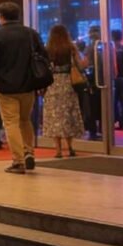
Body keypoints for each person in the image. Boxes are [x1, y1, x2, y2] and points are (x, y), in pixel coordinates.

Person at [0, 2, 44, 174]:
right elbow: (42, 56)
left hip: (6, 86)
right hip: (28, 85)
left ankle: (18, 161)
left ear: (1, 16)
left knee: (11, 122)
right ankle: (28, 152)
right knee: (25, 120)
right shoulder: (30, 33)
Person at [42, 25, 85, 158]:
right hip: (68, 83)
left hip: (53, 84)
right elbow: (81, 65)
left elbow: (44, 67)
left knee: (54, 116)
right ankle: (71, 147)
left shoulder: (48, 49)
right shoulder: (71, 48)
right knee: (68, 114)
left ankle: (58, 150)